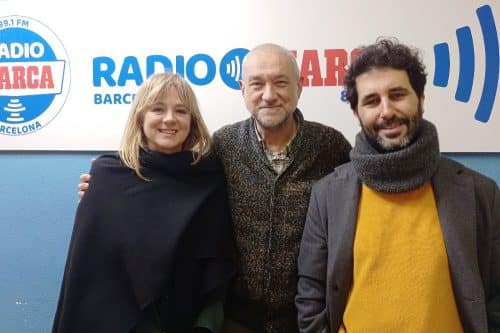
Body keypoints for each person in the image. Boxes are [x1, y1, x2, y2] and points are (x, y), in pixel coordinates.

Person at [79, 43, 352, 332]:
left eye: (281, 83)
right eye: (257, 84)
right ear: (242, 89)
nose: (269, 95)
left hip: (307, 320)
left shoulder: (331, 146)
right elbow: (174, 184)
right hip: (234, 321)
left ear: (300, 86)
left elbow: (362, 203)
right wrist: (110, 191)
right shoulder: (223, 145)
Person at [296, 38, 500, 333]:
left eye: (398, 94)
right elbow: (310, 294)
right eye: (371, 101)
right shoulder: (328, 194)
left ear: (421, 98)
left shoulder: (480, 192)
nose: (386, 111)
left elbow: (495, 295)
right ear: (355, 112)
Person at [54, 73, 234, 333]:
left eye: (181, 111)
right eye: (157, 109)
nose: (169, 119)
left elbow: (216, 270)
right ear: (141, 117)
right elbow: (88, 274)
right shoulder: (108, 176)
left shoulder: (208, 179)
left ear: (192, 120)